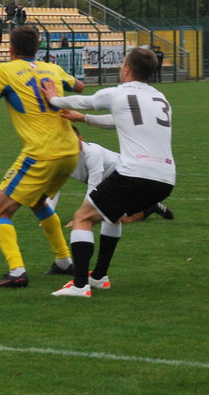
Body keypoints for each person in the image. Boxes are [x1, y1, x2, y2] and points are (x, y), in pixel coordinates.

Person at [43, 47, 176, 298]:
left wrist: (54, 99)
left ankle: (80, 285)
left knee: (82, 217)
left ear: (126, 69)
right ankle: (99, 277)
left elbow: (85, 100)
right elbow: (120, 121)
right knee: (110, 215)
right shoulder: (160, 98)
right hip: (165, 179)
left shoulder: (119, 93)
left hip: (135, 173)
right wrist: (85, 119)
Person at [0, 26, 86, 288]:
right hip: (70, 150)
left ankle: (16, 271)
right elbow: (79, 86)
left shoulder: (4, 71)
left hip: (42, 153)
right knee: (38, 202)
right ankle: (63, 261)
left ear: (11, 49)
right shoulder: (52, 68)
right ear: (37, 48)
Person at [46, 127, 174, 224]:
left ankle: (150, 207)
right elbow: (54, 189)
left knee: (119, 219)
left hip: (127, 176)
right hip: (109, 182)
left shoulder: (92, 154)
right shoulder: (59, 159)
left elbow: (93, 187)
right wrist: (49, 216)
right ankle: (148, 206)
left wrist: (80, 218)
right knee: (109, 218)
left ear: (80, 138)